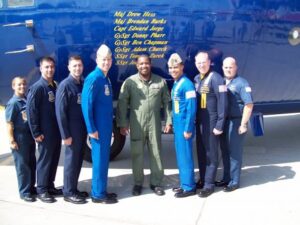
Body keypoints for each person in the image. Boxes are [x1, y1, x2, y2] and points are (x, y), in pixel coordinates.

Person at [117, 54, 172, 196]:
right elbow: (122, 103)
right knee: (137, 153)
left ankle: (156, 183)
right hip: (137, 123)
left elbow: (167, 102)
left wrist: (168, 121)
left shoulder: (160, 82)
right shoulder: (130, 82)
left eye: (146, 63)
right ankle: (138, 183)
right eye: (141, 64)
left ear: (150, 63)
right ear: (137, 65)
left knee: (156, 153)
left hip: (154, 122)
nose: (144, 66)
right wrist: (123, 123)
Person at [81, 44, 118, 204]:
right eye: (103, 59)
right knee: (99, 160)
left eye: (109, 59)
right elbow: (86, 104)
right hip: (97, 129)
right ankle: (97, 194)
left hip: (105, 127)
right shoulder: (94, 78)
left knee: (104, 160)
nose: (106, 62)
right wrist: (91, 129)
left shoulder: (105, 78)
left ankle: (102, 190)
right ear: (97, 60)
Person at [27, 56, 62, 203]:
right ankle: (41, 189)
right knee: (44, 161)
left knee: (53, 160)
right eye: (46, 67)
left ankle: (50, 186)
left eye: (52, 67)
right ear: (41, 69)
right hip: (44, 133)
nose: (50, 69)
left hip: (55, 132)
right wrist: (36, 132)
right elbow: (31, 111)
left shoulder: (53, 86)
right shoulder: (37, 88)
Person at [55, 56, 88, 204]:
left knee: (78, 161)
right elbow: (60, 112)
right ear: (69, 67)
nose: (77, 69)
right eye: (74, 66)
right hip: (71, 132)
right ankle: (68, 192)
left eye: (79, 66)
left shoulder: (81, 83)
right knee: (70, 162)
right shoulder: (65, 85)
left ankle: (73, 188)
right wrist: (65, 135)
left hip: (81, 131)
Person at [218, 57, 253, 192]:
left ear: (236, 67)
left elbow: (249, 104)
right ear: (222, 68)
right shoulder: (222, 82)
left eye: (231, 67)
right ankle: (226, 178)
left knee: (234, 153)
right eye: (226, 67)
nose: (228, 69)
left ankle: (234, 181)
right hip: (224, 122)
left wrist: (243, 124)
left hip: (236, 121)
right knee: (225, 151)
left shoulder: (242, 83)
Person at [194, 51, 227, 198]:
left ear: (210, 62)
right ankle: (203, 179)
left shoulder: (217, 78)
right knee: (201, 153)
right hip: (201, 122)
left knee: (211, 154)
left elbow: (223, 103)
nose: (201, 65)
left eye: (204, 62)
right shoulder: (197, 78)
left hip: (212, 121)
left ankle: (209, 184)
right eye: (199, 62)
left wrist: (220, 124)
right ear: (196, 64)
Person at [168, 53, 197, 198]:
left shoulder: (187, 84)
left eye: (175, 67)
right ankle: (183, 183)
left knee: (186, 155)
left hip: (184, 125)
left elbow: (191, 108)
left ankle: (189, 186)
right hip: (178, 125)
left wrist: (188, 128)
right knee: (180, 156)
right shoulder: (176, 82)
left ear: (182, 67)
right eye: (171, 68)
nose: (173, 70)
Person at [5, 77, 36, 202]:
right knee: (22, 166)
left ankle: (31, 187)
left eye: (24, 84)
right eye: (19, 85)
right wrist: (12, 140)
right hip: (20, 137)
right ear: (13, 86)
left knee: (31, 163)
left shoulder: (26, 99)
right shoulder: (13, 103)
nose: (22, 87)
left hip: (29, 136)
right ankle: (24, 192)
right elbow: (9, 123)